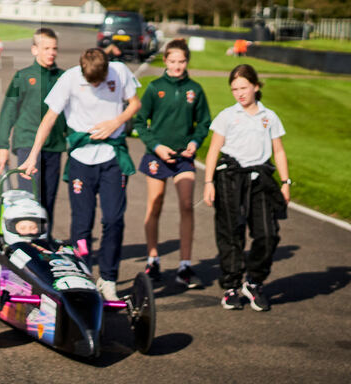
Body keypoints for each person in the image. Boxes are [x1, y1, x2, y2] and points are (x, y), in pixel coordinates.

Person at [18, 48, 141, 302]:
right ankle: (82, 275)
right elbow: (49, 119)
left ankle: (108, 278)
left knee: (113, 220)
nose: (95, 85)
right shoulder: (70, 79)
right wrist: (32, 156)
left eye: (99, 81)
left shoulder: (119, 72)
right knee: (82, 224)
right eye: (90, 81)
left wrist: (115, 123)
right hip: (81, 161)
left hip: (112, 157)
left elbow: (135, 104)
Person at [203, 64, 290, 312]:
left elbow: (279, 151)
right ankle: (231, 287)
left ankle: (253, 282)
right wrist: (208, 183)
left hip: (261, 180)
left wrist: (285, 182)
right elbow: (213, 151)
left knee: (268, 234)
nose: (239, 93)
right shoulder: (227, 116)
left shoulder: (269, 117)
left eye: (243, 87)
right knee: (231, 234)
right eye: (234, 89)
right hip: (229, 179)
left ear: (255, 86)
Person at [132, 39, 211, 288]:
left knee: (187, 205)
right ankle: (153, 259)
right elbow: (139, 123)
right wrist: (156, 146)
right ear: (165, 60)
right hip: (157, 156)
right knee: (155, 205)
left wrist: (194, 144)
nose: (177, 66)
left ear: (187, 61)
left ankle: (185, 266)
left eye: (182, 61)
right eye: (173, 61)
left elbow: (205, 123)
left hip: (183, 158)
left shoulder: (195, 90)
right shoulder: (155, 88)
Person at [0, 27, 67, 230]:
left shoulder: (64, 77)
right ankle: (25, 240)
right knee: (30, 197)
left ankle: (45, 240)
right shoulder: (23, 77)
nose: (51, 52)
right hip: (27, 143)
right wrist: (2, 146)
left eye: (54, 48)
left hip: (54, 145)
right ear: (35, 50)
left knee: (49, 198)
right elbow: (8, 112)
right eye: (46, 48)